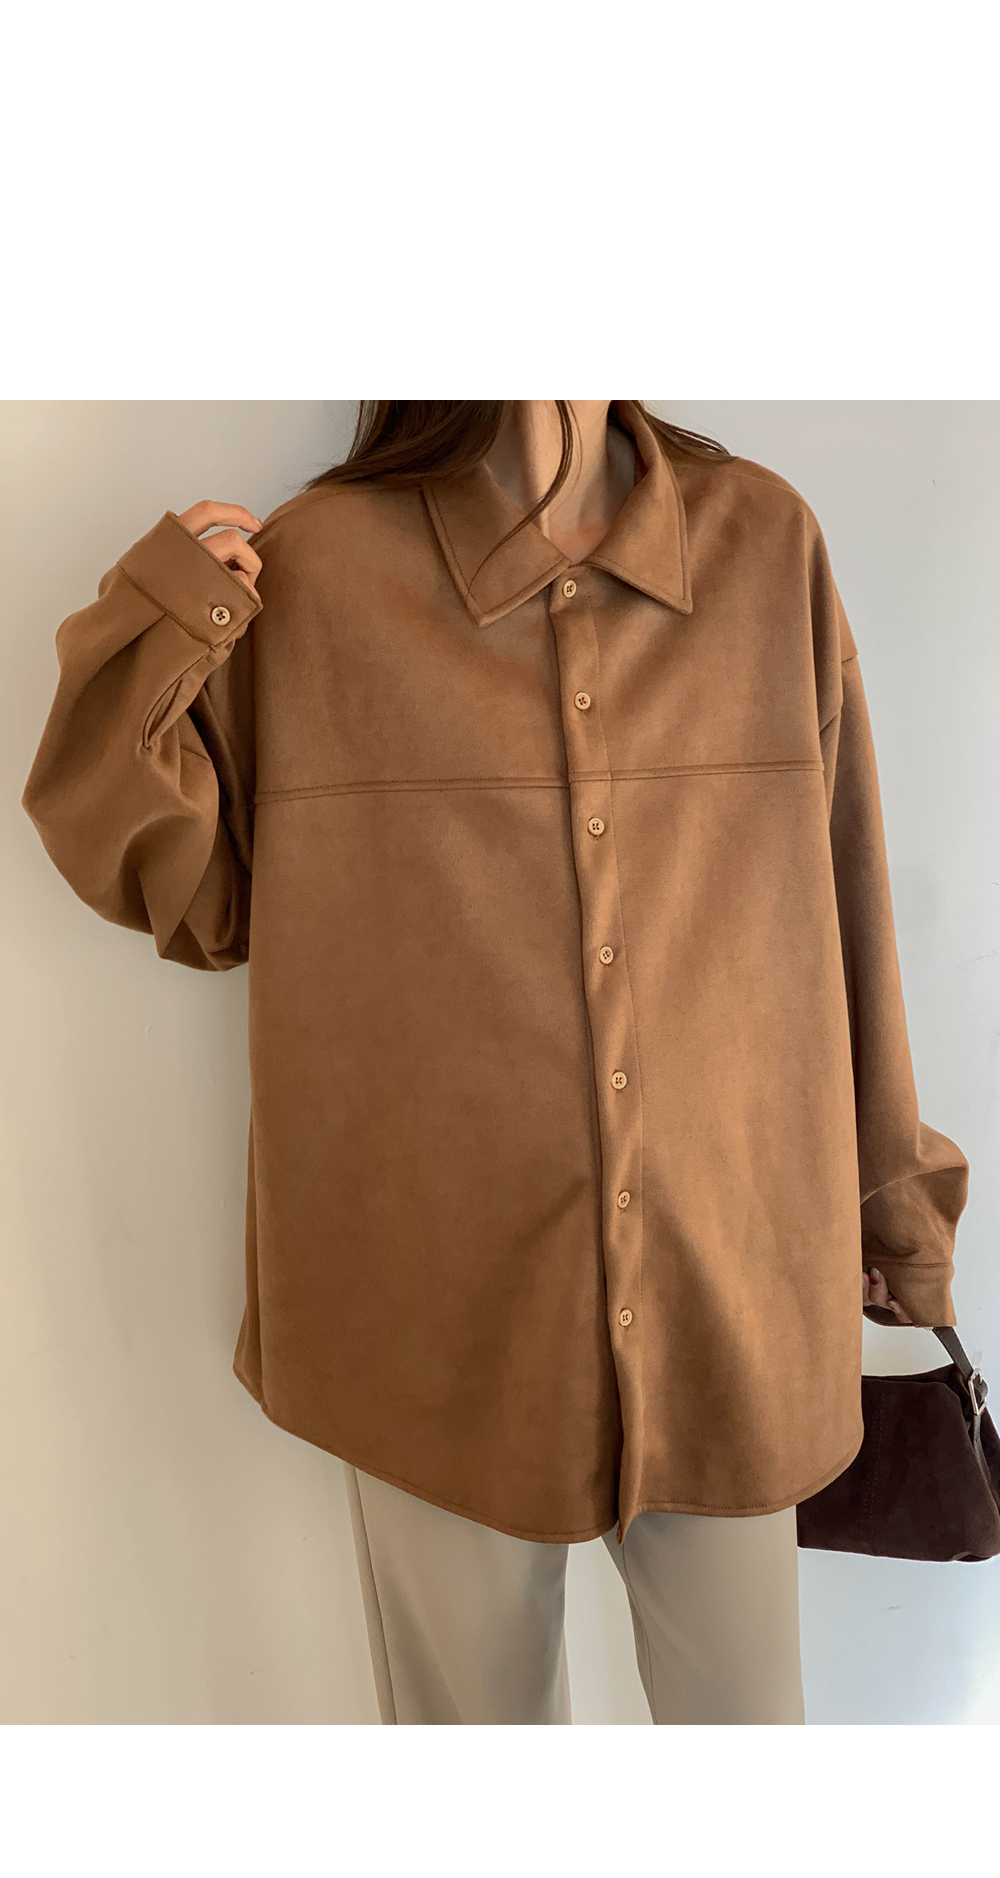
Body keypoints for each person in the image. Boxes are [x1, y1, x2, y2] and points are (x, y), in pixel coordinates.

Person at [21, 400, 969, 1725]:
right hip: (435, 1317)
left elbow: (847, 897)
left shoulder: (763, 543)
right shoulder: (321, 570)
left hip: (733, 1291)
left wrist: (893, 1213)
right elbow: (188, 898)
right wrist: (161, 630)